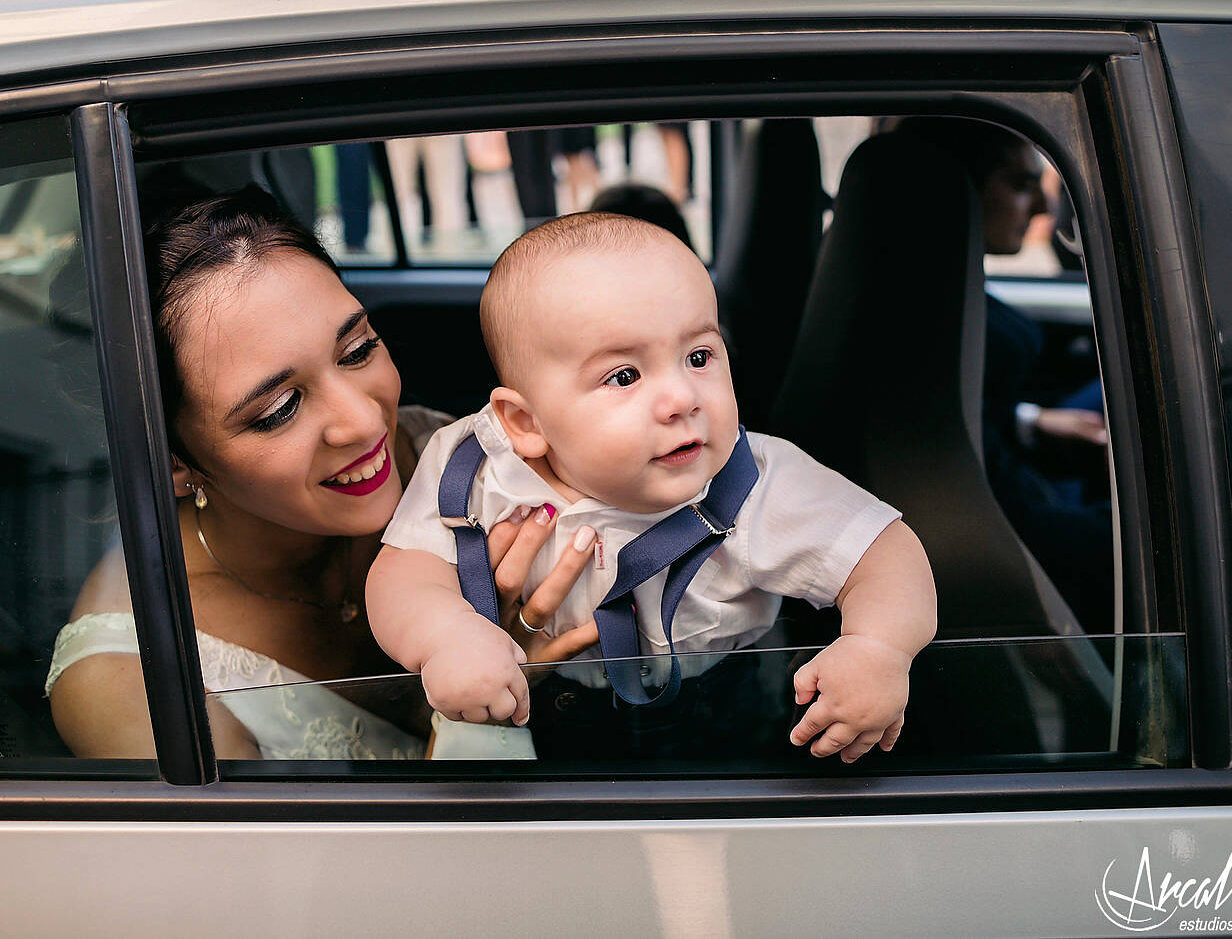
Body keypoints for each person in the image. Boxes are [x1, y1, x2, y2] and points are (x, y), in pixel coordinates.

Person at [46, 186, 597, 760]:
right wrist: (483, 711)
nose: (364, 422)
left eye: (357, 351)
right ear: (172, 462)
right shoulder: (132, 686)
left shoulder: (451, 456)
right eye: (280, 409)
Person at [366, 212, 937, 763]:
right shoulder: (475, 466)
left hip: (717, 715)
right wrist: (445, 636)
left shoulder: (755, 481)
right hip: (539, 709)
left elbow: (884, 554)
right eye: (624, 376)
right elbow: (404, 572)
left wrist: (878, 646)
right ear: (527, 423)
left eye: (699, 356)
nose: (682, 399)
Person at [896, 118, 1113, 632]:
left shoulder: (928, 291)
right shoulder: (930, 315)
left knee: (1108, 398)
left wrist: (1031, 420)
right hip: (1013, 522)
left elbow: (963, 413)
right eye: (1020, 184)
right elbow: (988, 485)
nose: (1041, 208)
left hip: (1013, 471)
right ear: (958, 190)